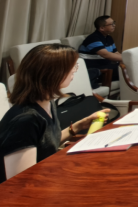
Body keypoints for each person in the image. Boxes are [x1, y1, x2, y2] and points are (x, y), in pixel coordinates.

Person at [0, 44, 110, 183]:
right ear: (52, 73)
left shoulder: (47, 101)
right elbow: (20, 181)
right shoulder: (25, 120)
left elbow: (46, 145)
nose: (74, 71)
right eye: (72, 67)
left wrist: (79, 126)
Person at [78, 15, 122, 86]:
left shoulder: (109, 38)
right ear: (102, 28)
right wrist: (127, 59)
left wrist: (127, 60)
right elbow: (106, 55)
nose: (114, 25)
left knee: (128, 67)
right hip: (96, 70)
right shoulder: (93, 38)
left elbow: (116, 53)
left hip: (106, 67)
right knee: (128, 70)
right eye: (111, 24)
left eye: (114, 23)